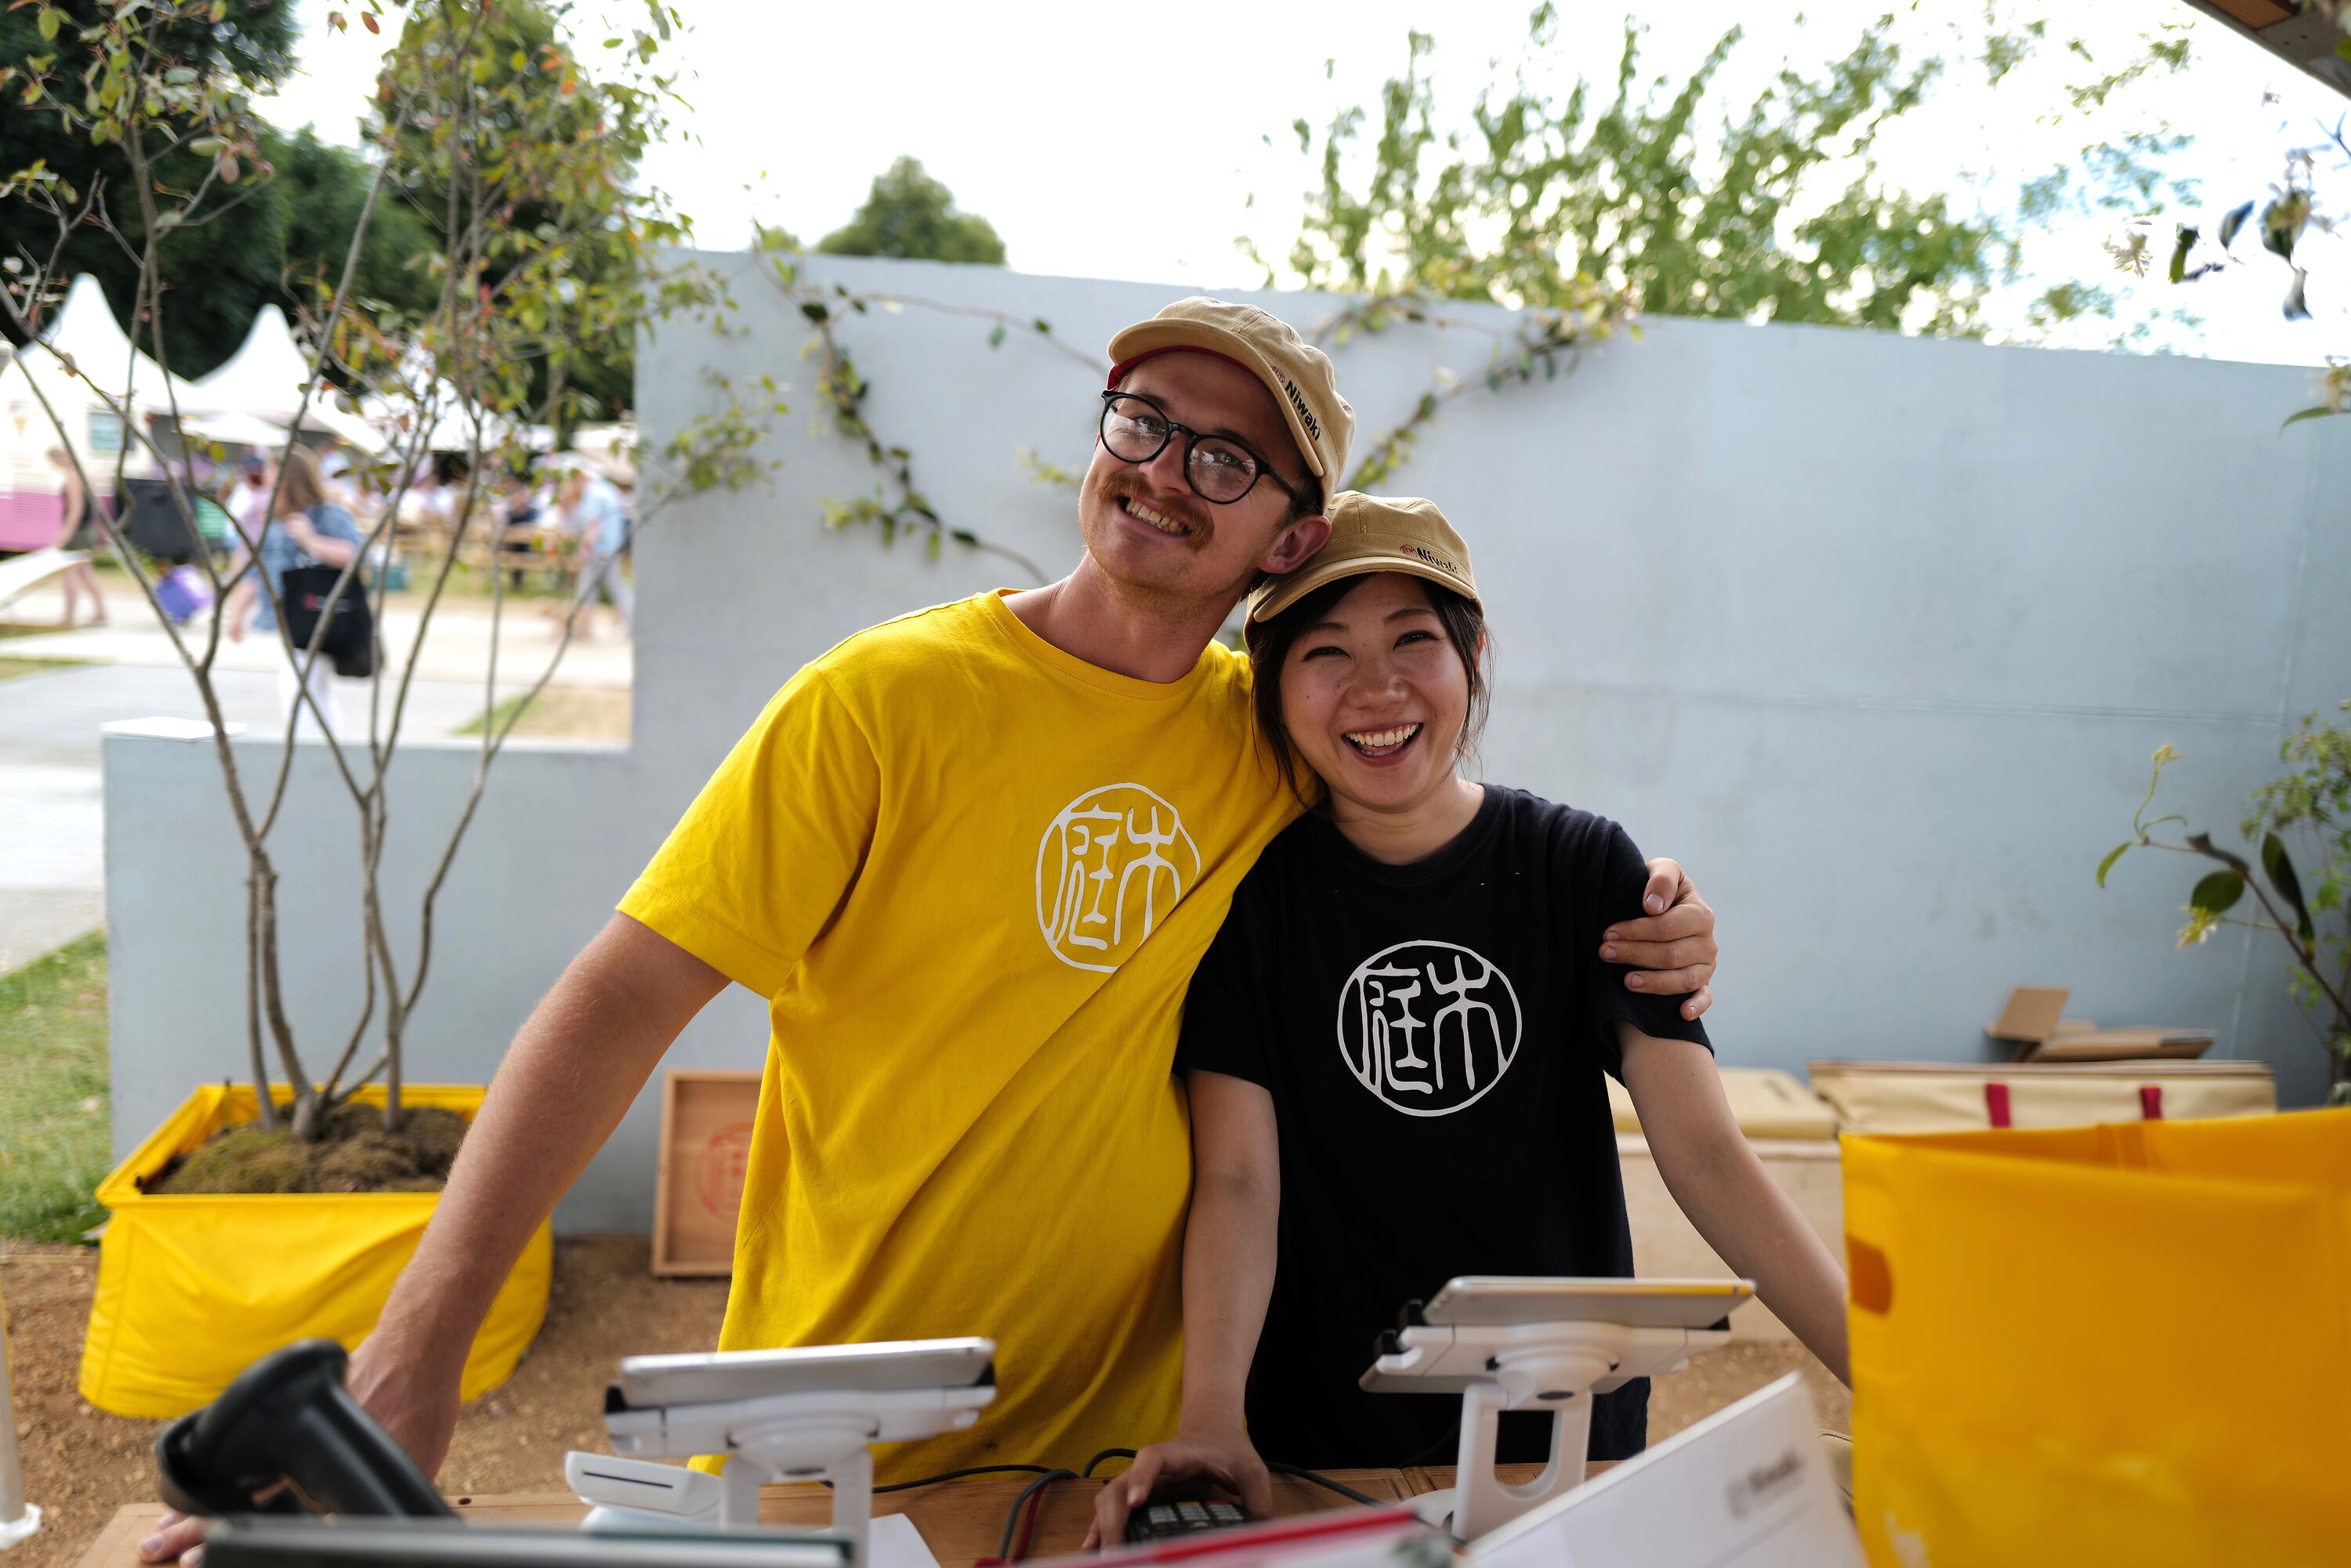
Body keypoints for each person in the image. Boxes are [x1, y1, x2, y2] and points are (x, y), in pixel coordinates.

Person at [139, 299, 1721, 1565]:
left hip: (1106, 1467)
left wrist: (1641, 916)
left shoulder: (1276, 731)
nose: (1166, 470)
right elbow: (622, 994)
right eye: (1143, 423)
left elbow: (1437, 786)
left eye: (1227, 459)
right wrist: (419, 1343)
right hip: (823, 1435)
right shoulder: (880, 703)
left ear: (1289, 541)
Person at [1086, 496, 1849, 1544]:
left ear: (1473, 655)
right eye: (1325, 652)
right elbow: (1237, 1177)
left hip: (1563, 1437)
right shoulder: (1251, 903)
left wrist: (1884, 1370)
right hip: (1322, 1435)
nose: (1377, 688)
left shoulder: (1584, 870)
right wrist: (1214, 1419)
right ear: (1271, 687)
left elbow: (1706, 1152)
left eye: (1414, 641)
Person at [218, 444, 365, 741]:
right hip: (290, 618)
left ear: (286, 479)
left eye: (271, 475)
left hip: (320, 615)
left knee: (298, 688)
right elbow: (257, 571)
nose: (266, 483)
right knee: (309, 689)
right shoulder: (273, 520)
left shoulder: (328, 515)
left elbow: (356, 556)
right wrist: (237, 613)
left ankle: (311, 751)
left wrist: (312, 541)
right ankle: (322, 749)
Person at [556, 463, 632, 637]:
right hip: (610, 546)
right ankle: (582, 627)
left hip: (600, 549)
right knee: (598, 588)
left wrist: (583, 549)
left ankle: (581, 627)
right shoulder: (608, 489)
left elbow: (593, 524)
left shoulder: (593, 494)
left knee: (598, 588)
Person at [45, 447, 108, 628]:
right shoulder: (86, 474)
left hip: (78, 532)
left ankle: (69, 617)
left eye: (54, 461)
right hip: (87, 529)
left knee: (69, 573)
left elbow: (76, 510)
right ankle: (100, 612)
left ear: (62, 458)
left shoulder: (73, 479)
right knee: (85, 572)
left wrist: (63, 536)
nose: (54, 465)